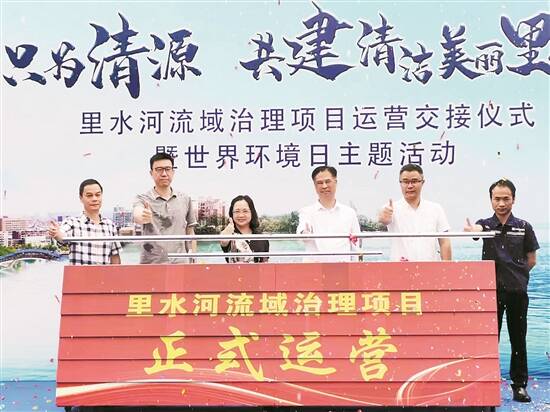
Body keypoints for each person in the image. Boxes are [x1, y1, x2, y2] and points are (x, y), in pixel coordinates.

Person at [464, 178, 538, 403]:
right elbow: (475, 230)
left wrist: (517, 276)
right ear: (491, 200)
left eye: (506, 198)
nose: (501, 203)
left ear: (513, 199)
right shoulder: (486, 224)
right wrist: (471, 229)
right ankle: (485, 383)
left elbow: (531, 259)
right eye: (497, 199)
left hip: (517, 292)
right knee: (488, 340)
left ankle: (519, 386)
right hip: (490, 293)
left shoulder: (524, 226)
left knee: (518, 340)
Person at [378, 163, 451, 262]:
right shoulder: (391, 208)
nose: (410, 186)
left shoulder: (436, 209)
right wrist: (383, 218)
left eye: (414, 181)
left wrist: (447, 268)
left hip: (430, 266)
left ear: (422, 182)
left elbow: (444, 242)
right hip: (400, 267)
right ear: (400, 183)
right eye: (405, 182)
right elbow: (382, 219)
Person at [133, 153, 197, 264]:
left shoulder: (185, 199)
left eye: (167, 169)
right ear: (151, 173)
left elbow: (190, 231)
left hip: (180, 263)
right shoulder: (143, 198)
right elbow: (137, 213)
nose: (164, 174)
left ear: (173, 172)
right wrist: (142, 215)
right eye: (159, 170)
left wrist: (193, 258)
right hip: (151, 263)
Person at [48, 179, 121, 265]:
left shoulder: (110, 225)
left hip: (104, 274)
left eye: (98, 195)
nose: (94, 199)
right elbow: (62, 236)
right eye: (89, 195)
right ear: (81, 198)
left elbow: (115, 257)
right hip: (79, 273)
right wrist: (57, 234)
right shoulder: (72, 222)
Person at [297, 166, 361, 262]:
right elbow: (302, 234)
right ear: (315, 186)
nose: (324, 186)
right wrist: (305, 233)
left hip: (342, 266)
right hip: (314, 266)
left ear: (335, 182)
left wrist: (356, 265)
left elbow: (356, 243)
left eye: (327, 181)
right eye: (319, 183)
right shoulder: (306, 212)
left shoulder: (349, 213)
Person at [219, 195, 269, 263]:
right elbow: (223, 240)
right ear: (232, 214)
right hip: (235, 270)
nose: (241, 215)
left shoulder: (262, 238)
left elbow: (266, 262)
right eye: (237, 211)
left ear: (252, 212)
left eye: (245, 211)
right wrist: (229, 229)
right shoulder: (230, 235)